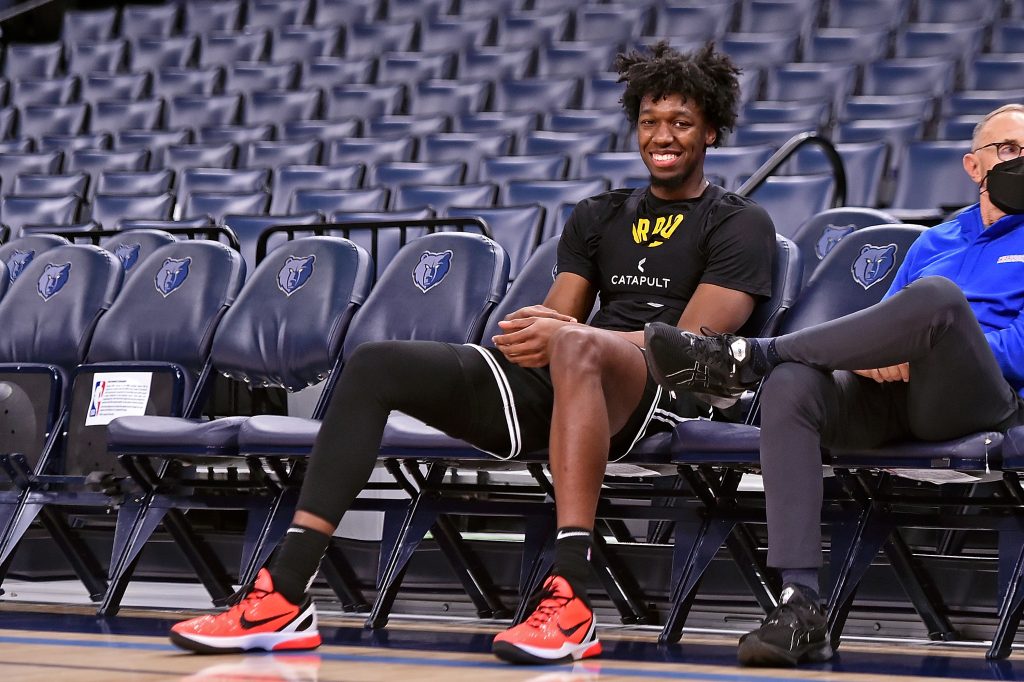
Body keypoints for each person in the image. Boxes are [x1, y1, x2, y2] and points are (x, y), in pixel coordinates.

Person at [169, 41, 776, 664]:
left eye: (680, 122)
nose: (662, 136)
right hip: (576, 374)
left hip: (661, 391)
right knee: (376, 363)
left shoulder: (739, 223)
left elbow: (692, 349)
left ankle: (570, 600)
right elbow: (559, 315)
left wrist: (570, 335)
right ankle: (285, 594)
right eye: (650, 121)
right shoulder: (600, 213)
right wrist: (542, 327)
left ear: (711, 131)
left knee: (577, 348)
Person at [644, 103, 1024, 667]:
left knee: (938, 300)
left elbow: (1017, 352)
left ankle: (750, 357)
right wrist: (883, 355)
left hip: (981, 399)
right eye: (1010, 150)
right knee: (796, 384)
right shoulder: (933, 242)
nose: (1023, 160)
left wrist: (922, 353)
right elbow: (883, 328)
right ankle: (800, 605)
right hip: (898, 399)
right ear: (974, 166)